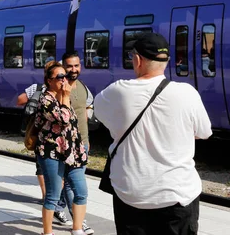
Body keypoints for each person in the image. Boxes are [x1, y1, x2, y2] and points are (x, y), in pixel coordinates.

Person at [94, 33, 212, 235]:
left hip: (131, 195)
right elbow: (203, 132)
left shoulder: (117, 92)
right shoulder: (187, 92)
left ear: (138, 60)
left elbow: (101, 116)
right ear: (167, 61)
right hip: (178, 195)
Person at [34, 61, 88, 235]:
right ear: (49, 80)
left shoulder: (63, 96)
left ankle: (77, 229)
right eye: (59, 77)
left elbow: (73, 125)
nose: (64, 80)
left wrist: (81, 150)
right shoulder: (46, 100)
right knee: (53, 195)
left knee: (81, 192)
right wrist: (65, 97)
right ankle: (47, 232)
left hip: (72, 153)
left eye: (64, 76)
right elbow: (63, 119)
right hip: (51, 153)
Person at [57, 51, 95, 234]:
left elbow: (84, 116)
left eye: (76, 65)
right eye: (69, 66)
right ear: (63, 66)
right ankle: (78, 224)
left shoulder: (82, 86)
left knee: (72, 184)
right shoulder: (58, 87)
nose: (73, 69)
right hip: (65, 144)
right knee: (75, 185)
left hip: (82, 143)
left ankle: (60, 209)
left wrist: (87, 140)